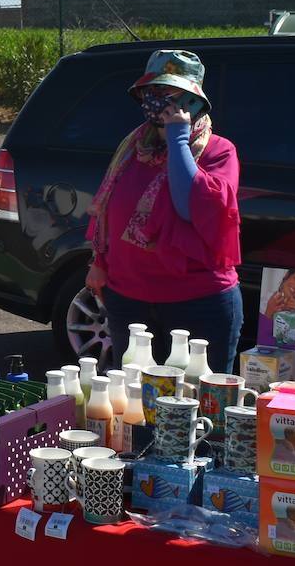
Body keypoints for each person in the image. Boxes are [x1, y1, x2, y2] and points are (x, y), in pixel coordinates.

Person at [85, 50, 242, 373]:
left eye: (168, 93)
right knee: (134, 407)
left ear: (194, 102)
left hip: (199, 305)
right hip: (129, 301)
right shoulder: (132, 148)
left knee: (197, 406)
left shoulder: (218, 151)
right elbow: (110, 214)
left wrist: (178, 138)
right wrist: (99, 262)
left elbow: (190, 206)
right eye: (150, 92)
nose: (156, 100)